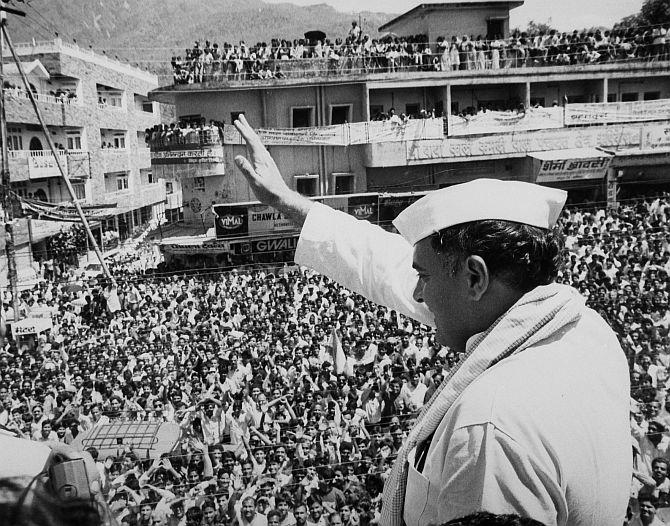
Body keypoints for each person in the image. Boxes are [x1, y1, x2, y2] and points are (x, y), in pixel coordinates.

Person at [232, 114, 632, 526]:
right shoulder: (587, 331)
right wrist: (286, 200)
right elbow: (384, 266)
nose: (418, 293)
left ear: (475, 277)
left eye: (424, 277)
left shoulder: (489, 432)